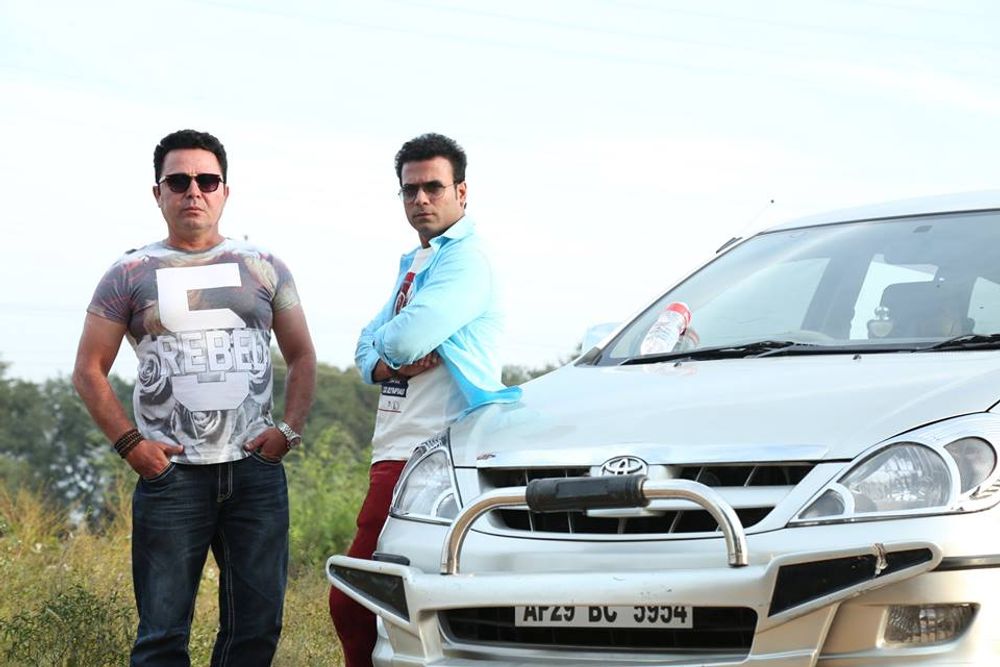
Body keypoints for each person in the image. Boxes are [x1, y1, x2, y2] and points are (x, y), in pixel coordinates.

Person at [73, 129, 316, 666]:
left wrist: (288, 431)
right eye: (178, 181)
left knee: (256, 630)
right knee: (161, 637)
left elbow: (302, 356)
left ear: (225, 191)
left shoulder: (264, 266)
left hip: (254, 472)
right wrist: (133, 446)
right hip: (172, 477)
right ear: (157, 193)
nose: (193, 192)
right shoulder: (129, 273)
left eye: (207, 180)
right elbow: (88, 370)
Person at [328, 133, 521, 666]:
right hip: (396, 445)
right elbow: (368, 346)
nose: (420, 199)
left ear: (462, 192)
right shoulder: (418, 260)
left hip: (435, 450)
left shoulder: (468, 261)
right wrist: (382, 360)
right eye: (409, 190)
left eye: (433, 187)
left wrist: (388, 347)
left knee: (358, 604)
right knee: (387, 607)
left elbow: (405, 338)